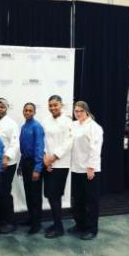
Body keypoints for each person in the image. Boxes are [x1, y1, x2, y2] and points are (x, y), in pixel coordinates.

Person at [69, 101, 103, 240]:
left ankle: (91, 229)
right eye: (75, 111)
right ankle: (80, 224)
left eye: (80, 111)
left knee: (91, 200)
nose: (77, 114)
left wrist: (91, 167)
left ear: (86, 111)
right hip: (76, 168)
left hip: (90, 170)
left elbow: (95, 149)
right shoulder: (74, 125)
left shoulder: (94, 127)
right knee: (78, 199)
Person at [43, 95, 72, 239]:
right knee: (49, 194)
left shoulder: (68, 122)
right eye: (50, 105)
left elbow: (68, 143)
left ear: (61, 105)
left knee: (55, 195)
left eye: (55, 105)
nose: (53, 108)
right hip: (47, 163)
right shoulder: (46, 121)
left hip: (61, 164)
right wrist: (45, 159)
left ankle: (59, 227)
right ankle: (56, 223)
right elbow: (42, 141)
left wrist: (53, 158)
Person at [0, 98, 19, 234]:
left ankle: (10, 222)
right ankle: (0, 221)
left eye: (2, 107)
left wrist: (6, 158)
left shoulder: (11, 124)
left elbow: (15, 144)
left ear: (6, 108)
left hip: (6, 164)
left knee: (5, 193)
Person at [18, 103, 44, 234]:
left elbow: (39, 147)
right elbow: (23, 150)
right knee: (28, 193)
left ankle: (37, 223)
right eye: (26, 110)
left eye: (30, 110)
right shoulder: (23, 127)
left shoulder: (37, 127)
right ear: (23, 112)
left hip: (34, 163)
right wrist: (20, 165)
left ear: (34, 112)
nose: (27, 112)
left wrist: (38, 168)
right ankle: (31, 217)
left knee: (35, 195)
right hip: (26, 163)